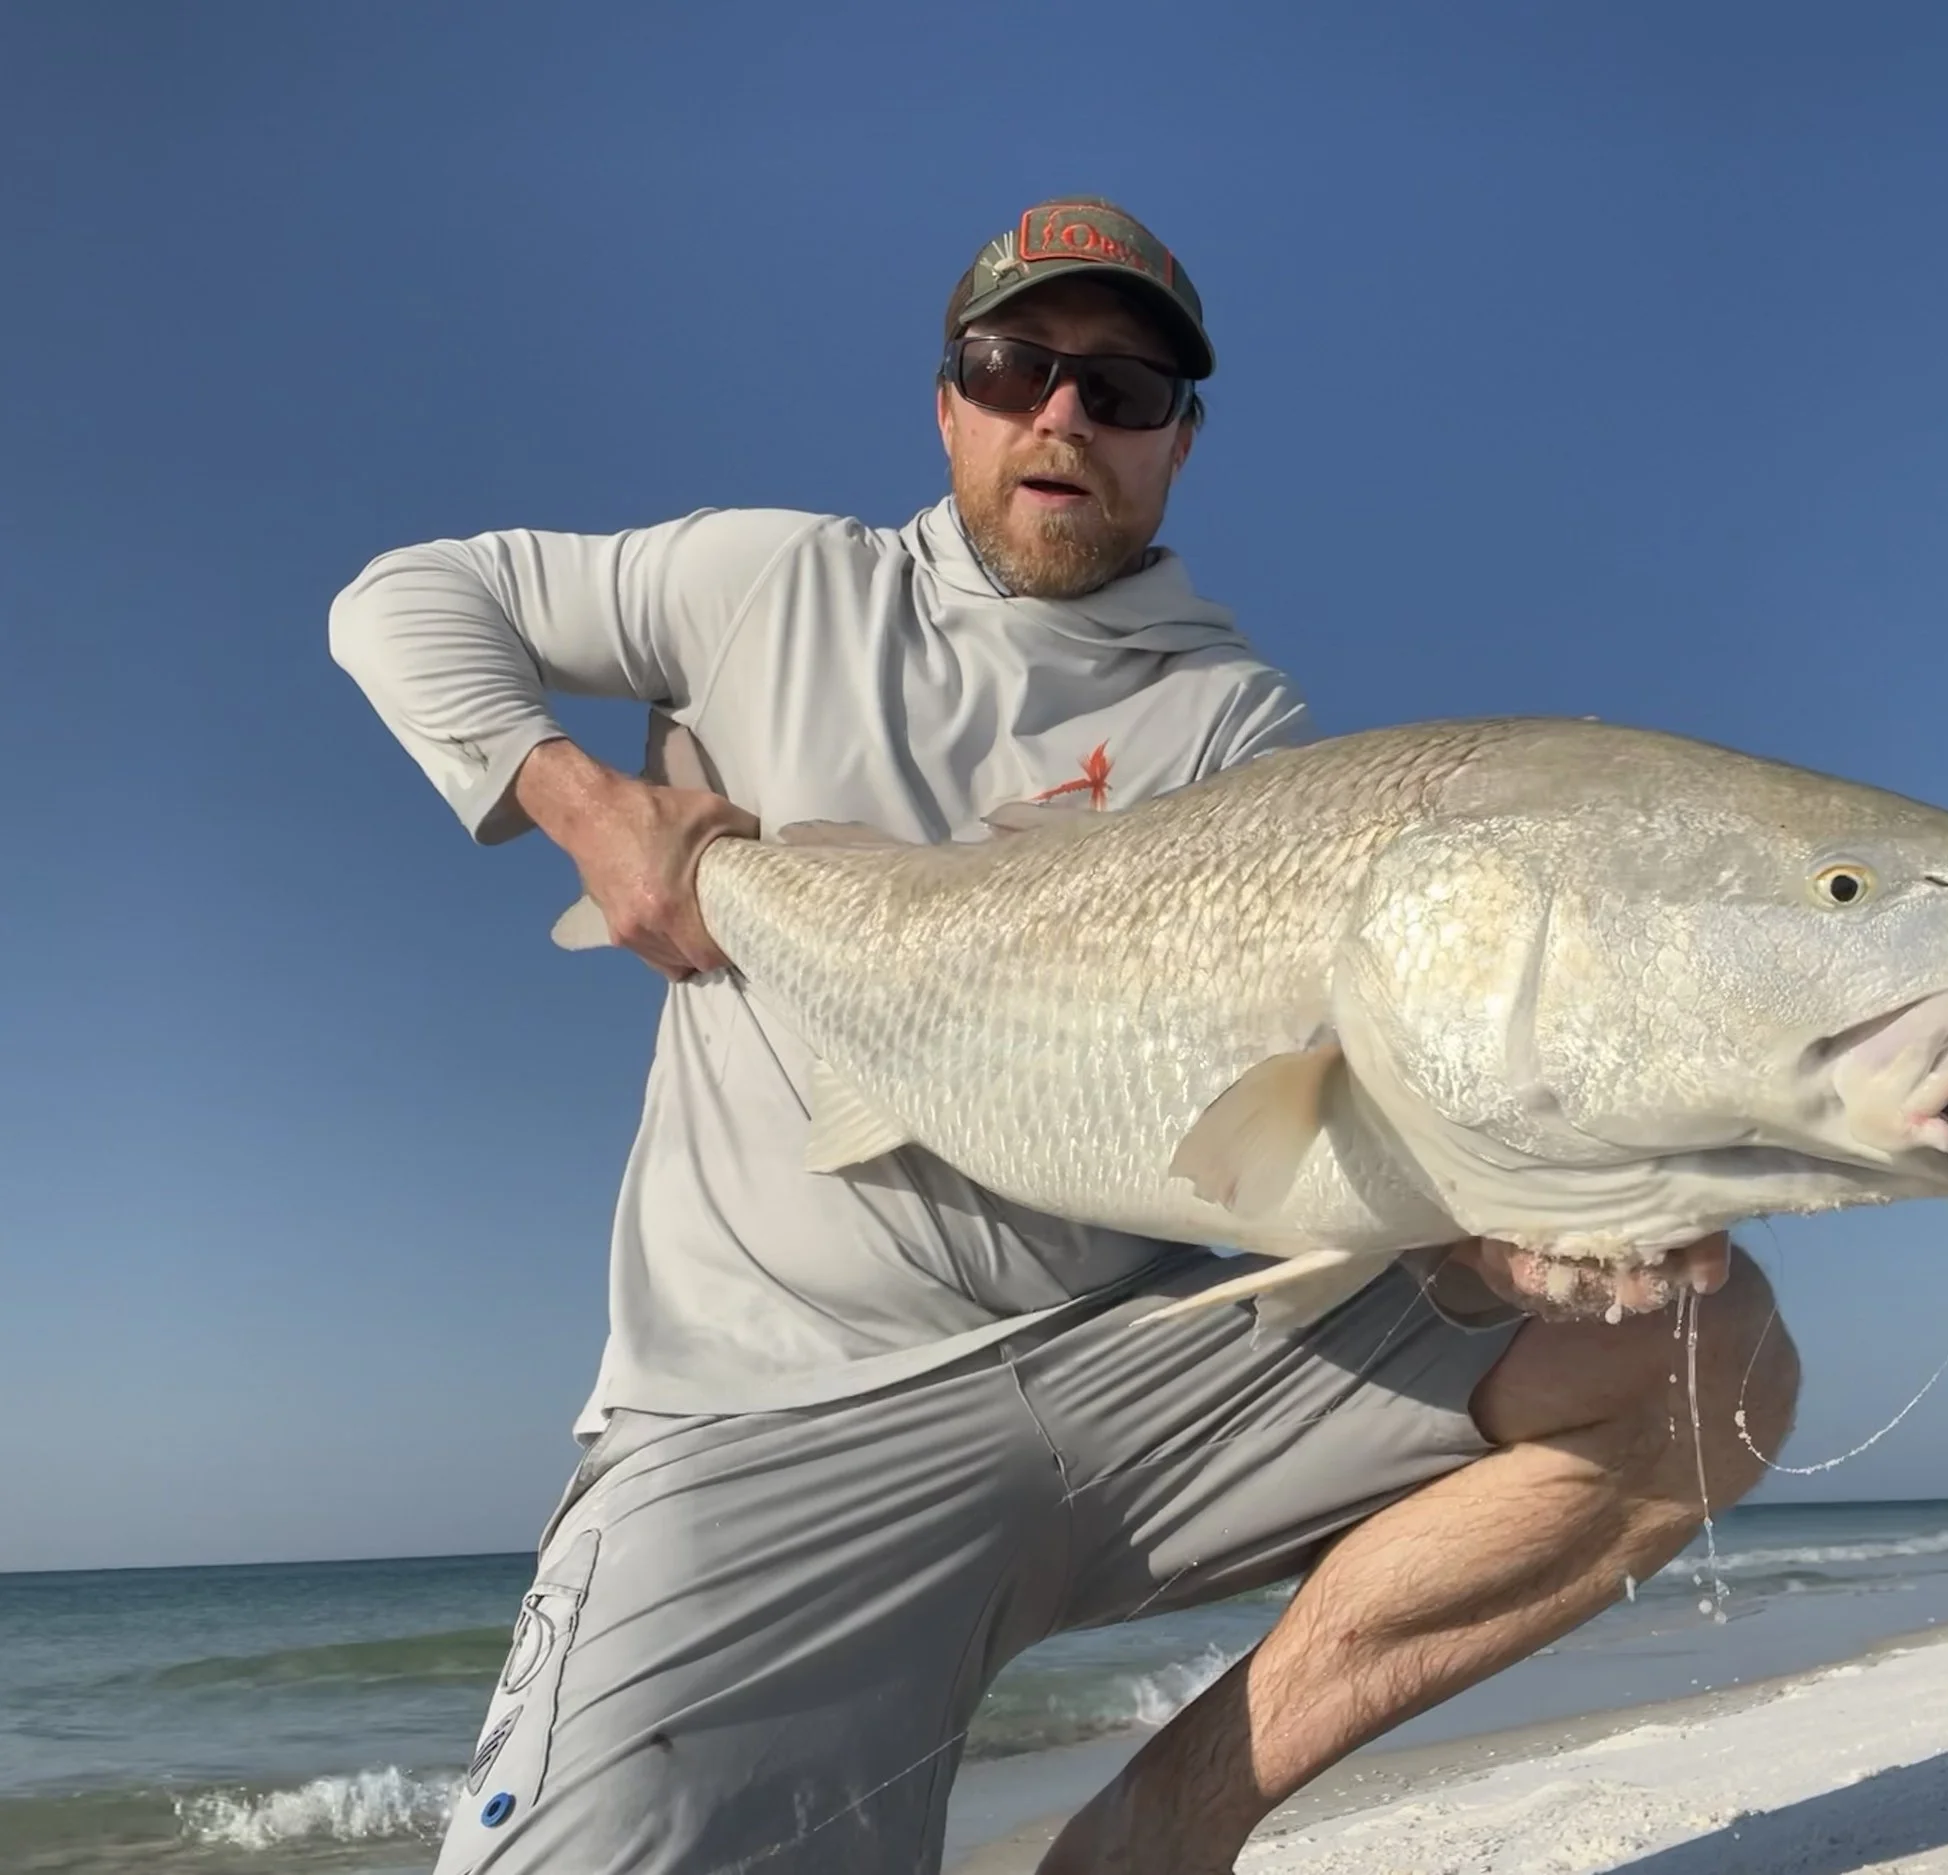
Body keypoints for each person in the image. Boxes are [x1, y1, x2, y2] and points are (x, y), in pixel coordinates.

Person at [331, 195, 1801, 1875]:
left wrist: (1493, 1224)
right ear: (948, 403)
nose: (1063, 416)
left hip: (1142, 1372)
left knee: (1711, 1357)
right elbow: (407, 597)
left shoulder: (1237, 721)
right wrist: (587, 805)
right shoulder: (764, 586)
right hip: (770, 1412)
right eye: (1015, 364)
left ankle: (1159, 1832)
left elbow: (1270, 1102)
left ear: (1180, 442)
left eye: (1125, 390)